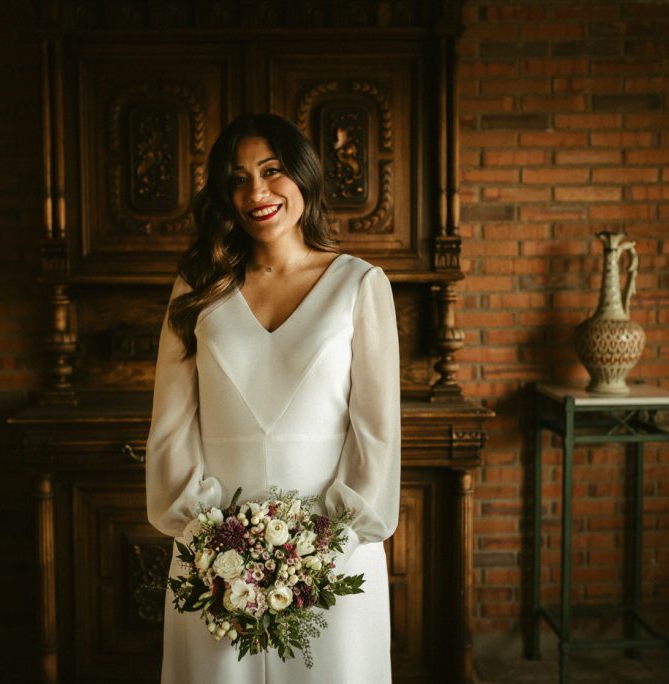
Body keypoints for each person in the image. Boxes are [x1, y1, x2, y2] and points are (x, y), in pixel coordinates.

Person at [145, 112, 400, 684]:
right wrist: (214, 543)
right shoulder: (198, 288)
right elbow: (171, 427)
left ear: (304, 176)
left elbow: (376, 435)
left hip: (332, 556)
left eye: (272, 170)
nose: (256, 192)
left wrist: (316, 554)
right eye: (237, 179)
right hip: (215, 559)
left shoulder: (359, 284)